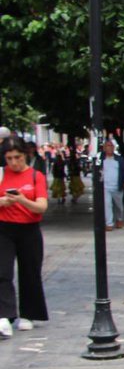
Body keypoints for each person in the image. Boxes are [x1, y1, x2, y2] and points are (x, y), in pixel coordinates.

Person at [0, 142, 50, 339]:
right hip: (4, 228)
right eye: (9, 158)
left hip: (29, 229)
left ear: (25, 156)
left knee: (30, 271)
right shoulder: (1, 174)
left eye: (17, 158)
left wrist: (21, 200)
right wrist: (3, 201)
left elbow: (41, 207)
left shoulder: (36, 176)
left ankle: (29, 314)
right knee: (2, 271)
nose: (14, 162)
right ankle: (4, 315)